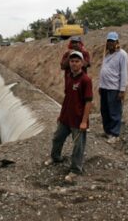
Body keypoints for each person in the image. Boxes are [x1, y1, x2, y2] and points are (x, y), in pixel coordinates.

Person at [45, 51, 93, 183]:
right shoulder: (69, 77)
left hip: (78, 120)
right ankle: (56, 157)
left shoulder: (85, 80)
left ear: (82, 63)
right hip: (66, 117)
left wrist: (84, 121)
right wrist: (61, 115)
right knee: (57, 138)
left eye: (77, 61)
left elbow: (88, 102)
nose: (74, 63)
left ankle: (75, 170)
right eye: (72, 61)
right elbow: (67, 98)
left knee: (78, 146)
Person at [98, 32, 128, 144]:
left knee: (114, 111)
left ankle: (115, 134)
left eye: (112, 41)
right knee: (104, 110)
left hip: (114, 88)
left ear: (117, 42)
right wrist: (100, 85)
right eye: (109, 41)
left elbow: (124, 73)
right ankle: (107, 131)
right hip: (104, 87)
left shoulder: (122, 55)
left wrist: (122, 89)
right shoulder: (107, 54)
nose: (110, 43)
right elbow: (103, 70)